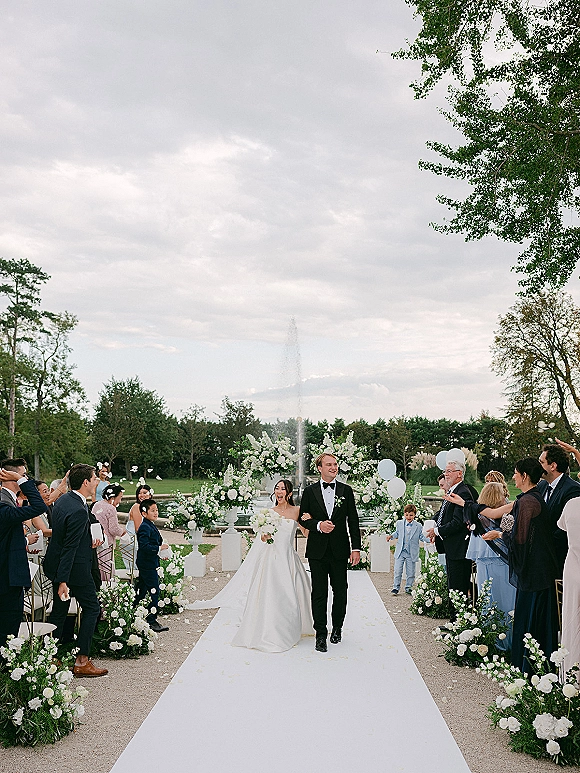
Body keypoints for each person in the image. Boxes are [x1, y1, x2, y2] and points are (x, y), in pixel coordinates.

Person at [187, 480, 314, 652]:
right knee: (272, 593)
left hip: (289, 558)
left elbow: (306, 533)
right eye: (277, 488)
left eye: (282, 489)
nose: (279, 491)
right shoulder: (269, 512)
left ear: (289, 493)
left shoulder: (297, 511)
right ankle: (272, 629)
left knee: (294, 591)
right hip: (272, 559)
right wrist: (266, 535)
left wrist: (310, 521)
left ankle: (295, 625)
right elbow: (263, 538)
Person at [477, 457, 560, 672]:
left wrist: (500, 535)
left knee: (532, 622)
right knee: (531, 620)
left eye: (515, 472)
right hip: (536, 573)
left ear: (524, 476)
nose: (513, 476)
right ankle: (530, 668)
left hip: (535, 575)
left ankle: (530, 669)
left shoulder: (528, 501)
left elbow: (520, 539)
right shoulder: (530, 498)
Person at [44, 464, 108, 677]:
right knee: (92, 608)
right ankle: (82, 660)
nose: (96, 481)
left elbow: (73, 531)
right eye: (94, 478)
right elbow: (70, 547)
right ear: (85, 483)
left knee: (59, 612)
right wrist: (63, 580)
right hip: (74, 569)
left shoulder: (65, 500)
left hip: (58, 565)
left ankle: (50, 657)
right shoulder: (78, 509)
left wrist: (93, 531)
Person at [299, 453, 361, 652]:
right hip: (317, 551)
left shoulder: (346, 490)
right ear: (320, 468)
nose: (334, 468)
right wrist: (317, 525)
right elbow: (302, 518)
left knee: (340, 590)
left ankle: (337, 628)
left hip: (339, 550)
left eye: (335, 464)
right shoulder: (309, 491)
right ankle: (320, 634)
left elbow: (353, 521)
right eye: (329, 465)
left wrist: (356, 548)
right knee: (319, 593)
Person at [463, 481, 516, 651]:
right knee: (506, 602)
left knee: (487, 600)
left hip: (483, 563)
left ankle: (489, 639)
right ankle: (507, 641)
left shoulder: (477, 516)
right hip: (502, 563)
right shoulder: (506, 516)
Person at [0, 461, 48, 647]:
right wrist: (20, 479)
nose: (26, 478)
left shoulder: (8, 500)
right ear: (11, 477)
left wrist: (26, 541)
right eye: (23, 475)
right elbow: (39, 507)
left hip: (9, 574)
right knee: (8, 629)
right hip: (7, 577)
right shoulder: (4, 503)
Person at [425, 461, 474, 616]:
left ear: (460, 473)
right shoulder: (452, 490)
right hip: (451, 548)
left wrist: (437, 531)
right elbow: (443, 515)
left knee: (458, 588)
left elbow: (458, 522)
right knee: (453, 587)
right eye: (445, 471)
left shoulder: (462, 492)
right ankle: (454, 622)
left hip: (459, 549)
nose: (446, 474)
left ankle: (458, 623)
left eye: (449, 471)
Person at [537, 442, 580, 576]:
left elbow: (568, 527)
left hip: (560, 557)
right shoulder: (542, 486)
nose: (538, 466)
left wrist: (544, 545)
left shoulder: (572, 489)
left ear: (553, 466)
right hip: (542, 558)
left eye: (541, 462)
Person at [135, 499, 169, 633]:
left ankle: (134, 613)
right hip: (147, 564)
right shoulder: (145, 527)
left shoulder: (150, 524)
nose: (156, 513)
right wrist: (159, 548)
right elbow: (144, 546)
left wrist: (161, 552)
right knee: (154, 590)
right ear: (144, 513)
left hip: (149, 562)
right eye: (153, 510)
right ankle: (151, 620)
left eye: (157, 510)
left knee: (141, 589)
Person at [556, 498, 580, 679]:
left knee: (572, 620)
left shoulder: (572, 504)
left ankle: (571, 676)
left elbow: (562, 525)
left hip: (573, 569)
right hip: (573, 567)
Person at [92, 484, 127, 581]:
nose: (120, 501)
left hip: (96, 542)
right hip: (107, 545)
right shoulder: (111, 509)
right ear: (112, 497)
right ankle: (107, 589)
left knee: (98, 569)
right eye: (120, 498)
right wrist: (122, 532)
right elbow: (113, 529)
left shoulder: (96, 504)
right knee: (107, 571)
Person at [387, 503, 423, 595]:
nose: (408, 517)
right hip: (401, 552)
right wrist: (391, 536)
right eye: (406, 514)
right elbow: (397, 533)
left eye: (411, 515)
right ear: (404, 514)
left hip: (411, 552)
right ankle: (395, 587)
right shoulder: (399, 523)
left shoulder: (418, 526)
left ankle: (408, 587)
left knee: (411, 572)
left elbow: (421, 536)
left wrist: (429, 539)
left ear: (415, 515)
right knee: (397, 570)